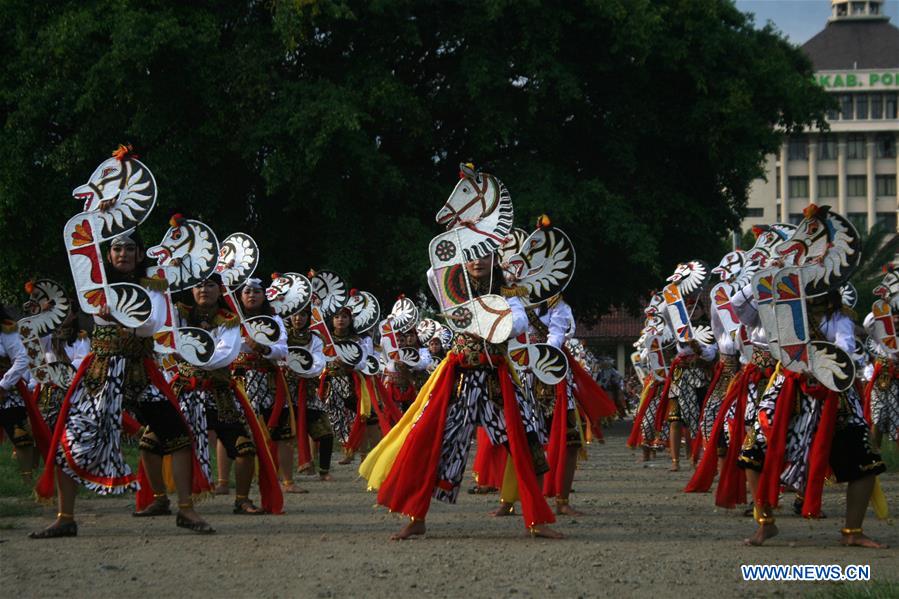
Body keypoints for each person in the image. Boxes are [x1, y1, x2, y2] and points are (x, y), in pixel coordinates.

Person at [361, 253, 561, 540]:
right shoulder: (454, 289)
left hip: (495, 382)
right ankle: (416, 517)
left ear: (495, 260)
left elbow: (517, 324)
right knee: (429, 442)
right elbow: (432, 272)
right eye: (471, 256)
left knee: (529, 443)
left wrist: (493, 316)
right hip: (460, 382)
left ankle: (537, 518)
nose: (477, 261)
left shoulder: (508, 291)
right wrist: (460, 238)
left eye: (484, 256)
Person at [32, 232, 213, 538]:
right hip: (103, 371)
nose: (124, 253)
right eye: (117, 248)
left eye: (130, 248)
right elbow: (95, 312)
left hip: (141, 370)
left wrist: (115, 313)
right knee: (71, 437)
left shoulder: (153, 286)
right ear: (109, 254)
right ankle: (65, 517)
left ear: (140, 255)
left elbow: (151, 324)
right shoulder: (95, 284)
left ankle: (185, 508)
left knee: (179, 435)